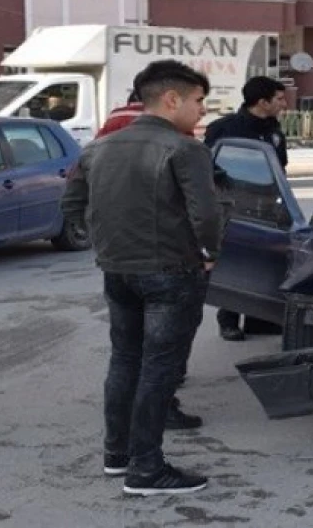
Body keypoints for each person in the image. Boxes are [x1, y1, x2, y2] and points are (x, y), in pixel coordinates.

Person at [62, 60, 221, 496]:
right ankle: (147, 468)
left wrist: (106, 247)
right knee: (159, 368)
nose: (201, 112)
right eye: (198, 101)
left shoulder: (98, 148)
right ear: (171, 99)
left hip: (118, 270)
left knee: (125, 360)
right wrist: (209, 254)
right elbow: (206, 214)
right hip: (171, 272)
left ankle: (118, 456)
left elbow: (71, 205)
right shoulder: (186, 148)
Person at [94, 83, 203, 432]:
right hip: (166, 259)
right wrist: (208, 250)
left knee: (125, 353)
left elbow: (77, 192)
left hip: (118, 256)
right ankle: (153, 438)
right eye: (197, 102)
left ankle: (119, 444)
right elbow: (202, 204)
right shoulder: (178, 137)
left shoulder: (108, 131)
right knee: (163, 353)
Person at [203, 76, 288, 341]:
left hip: (268, 204)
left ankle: (259, 319)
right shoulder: (224, 129)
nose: (284, 104)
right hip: (234, 206)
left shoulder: (273, 128)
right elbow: (209, 167)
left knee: (265, 259)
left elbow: (279, 167)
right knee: (235, 261)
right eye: (280, 98)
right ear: (262, 102)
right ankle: (228, 319)